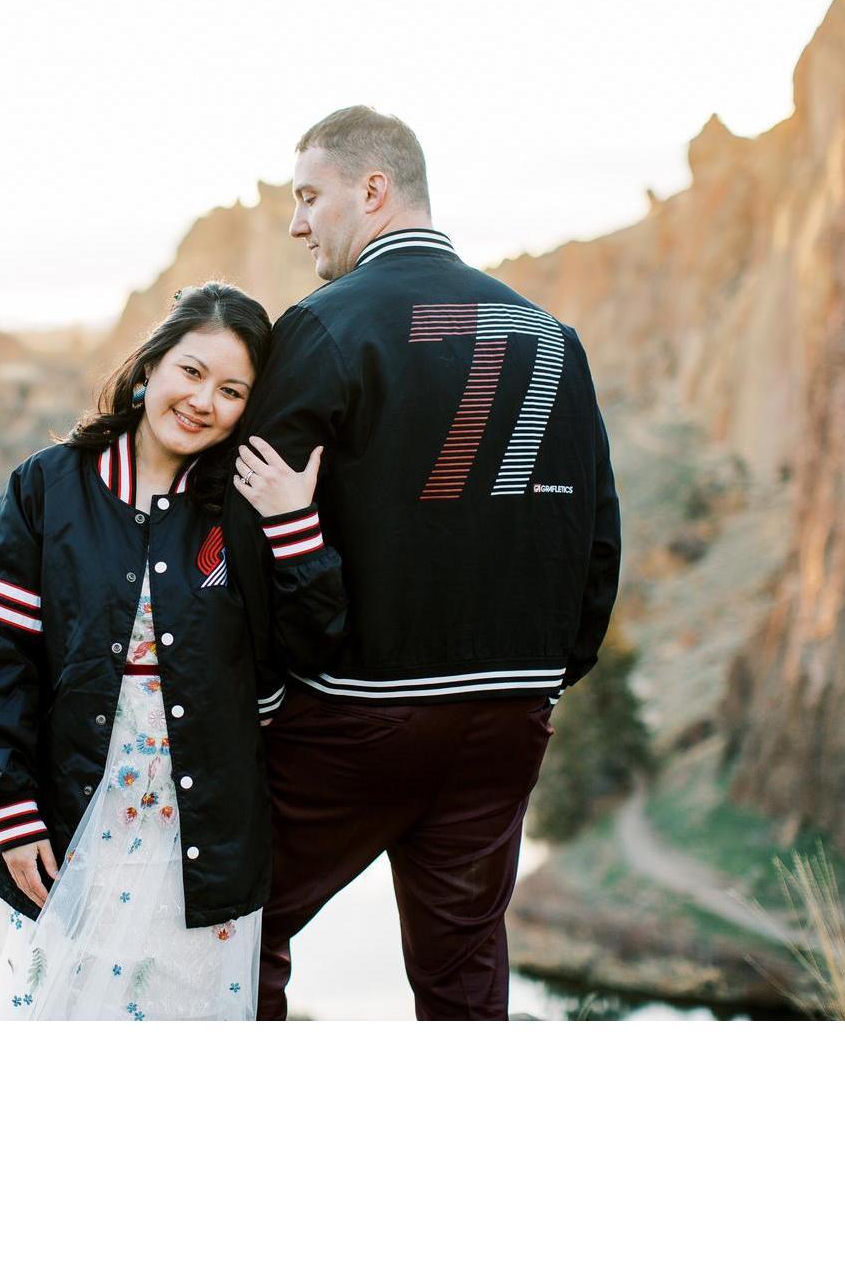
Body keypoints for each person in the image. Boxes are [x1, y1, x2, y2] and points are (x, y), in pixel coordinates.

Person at [224, 105, 621, 1021]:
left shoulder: (323, 328)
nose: (297, 222)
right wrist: (546, 679)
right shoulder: (552, 337)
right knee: (464, 970)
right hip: (508, 722)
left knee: (239, 925)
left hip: (357, 717)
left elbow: (249, 519)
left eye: (309, 196)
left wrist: (272, 695)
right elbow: (597, 533)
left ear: (374, 190)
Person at [0, 283, 342, 1020]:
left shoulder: (244, 504)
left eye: (231, 391)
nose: (203, 401)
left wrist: (293, 523)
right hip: (74, 808)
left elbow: (312, 645)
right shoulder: (50, 486)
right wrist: (12, 806)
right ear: (149, 368)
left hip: (203, 828)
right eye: (191, 372)